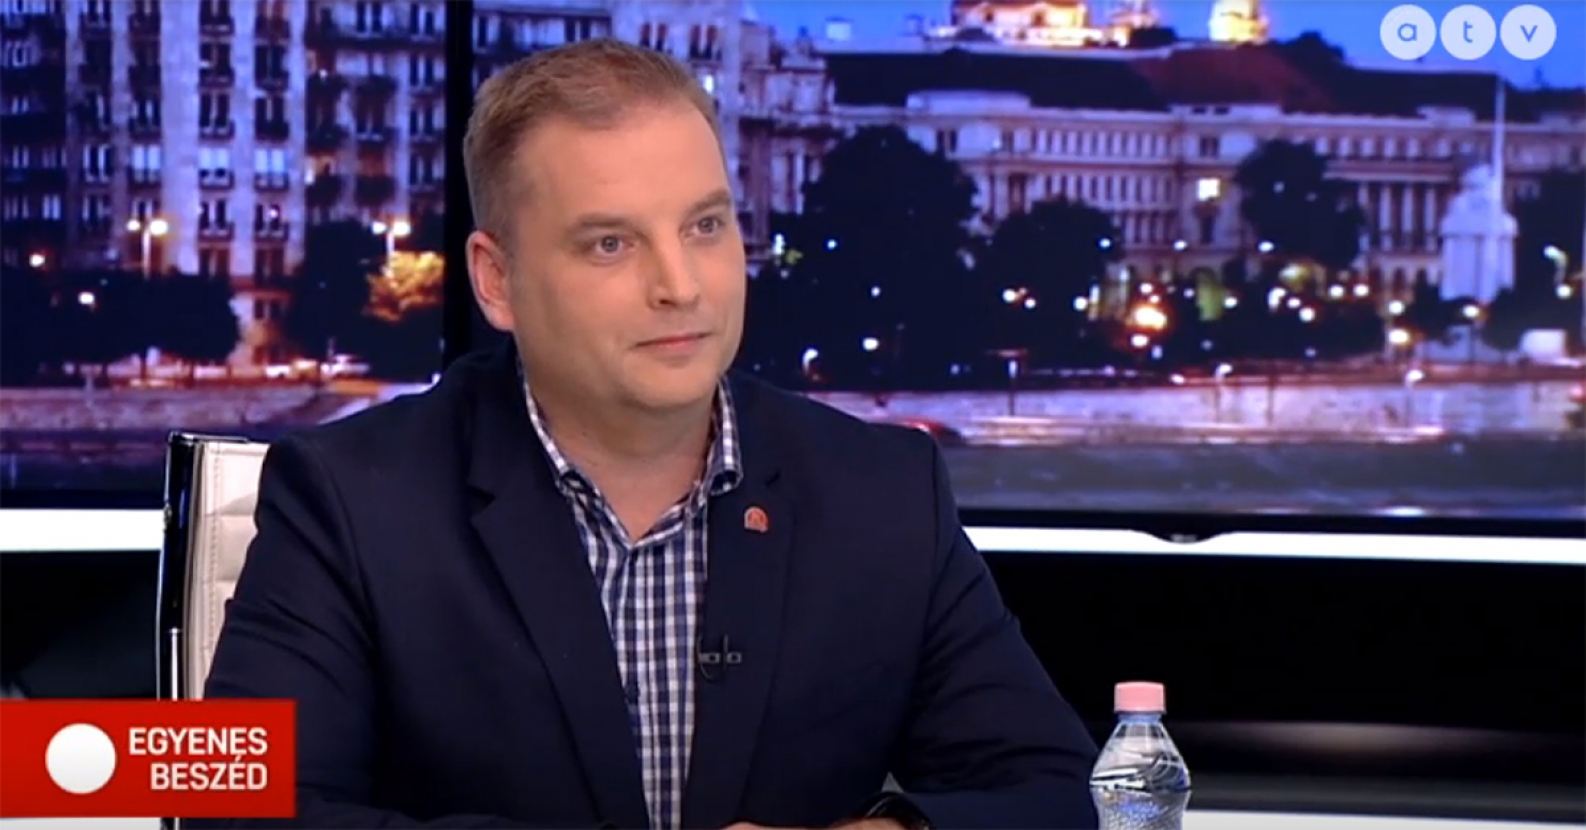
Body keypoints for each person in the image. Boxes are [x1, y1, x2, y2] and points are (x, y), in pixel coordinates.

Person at [202, 38, 1098, 830]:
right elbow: (232, 811)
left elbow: (1061, 794)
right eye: (611, 244)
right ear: (497, 279)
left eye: (705, 226)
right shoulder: (342, 494)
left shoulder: (886, 490)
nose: (682, 285)